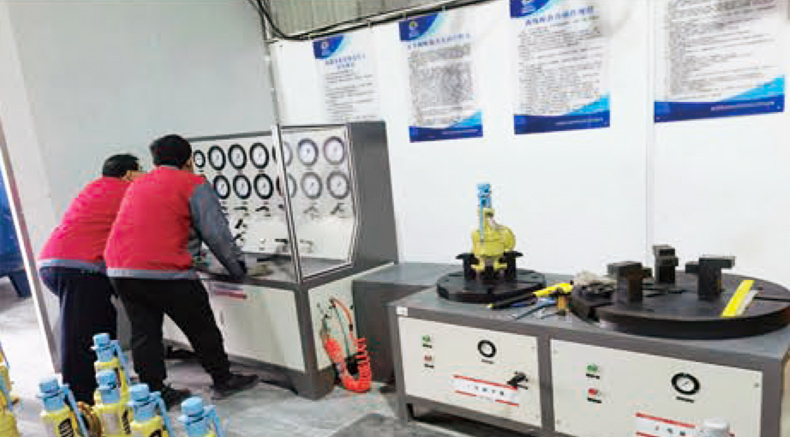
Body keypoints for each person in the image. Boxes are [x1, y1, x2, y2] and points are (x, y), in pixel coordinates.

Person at [104, 134, 258, 408]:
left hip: (120, 269)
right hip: (165, 271)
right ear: (189, 159)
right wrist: (238, 269)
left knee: (144, 332)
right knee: (200, 325)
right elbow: (217, 233)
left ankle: (154, 392)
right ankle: (223, 380)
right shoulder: (193, 183)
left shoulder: (138, 184)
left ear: (155, 160)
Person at [38, 154, 144, 403]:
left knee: (102, 322)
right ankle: (80, 397)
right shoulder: (127, 190)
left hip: (53, 263)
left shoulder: (93, 189)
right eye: (141, 170)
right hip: (80, 268)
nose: (144, 175)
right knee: (82, 335)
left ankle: (108, 381)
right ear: (129, 174)